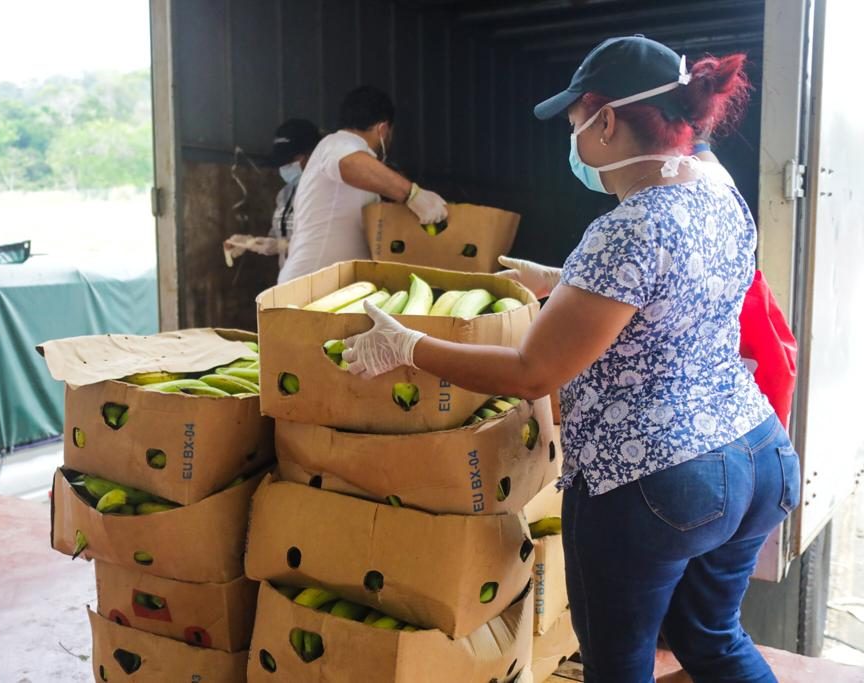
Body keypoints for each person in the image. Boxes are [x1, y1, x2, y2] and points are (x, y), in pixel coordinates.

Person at [341, 36, 798, 683]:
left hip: (656, 481)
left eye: (574, 122)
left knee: (618, 667)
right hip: (756, 454)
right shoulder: (716, 188)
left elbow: (532, 372)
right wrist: (567, 280)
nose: (573, 138)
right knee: (714, 638)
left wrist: (408, 346)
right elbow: (677, 283)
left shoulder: (626, 227)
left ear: (605, 119)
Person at [277, 85, 448, 283]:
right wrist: (413, 195)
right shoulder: (337, 143)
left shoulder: (357, 162)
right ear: (383, 129)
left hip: (327, 289)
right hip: (308, 288)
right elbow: (349, 163)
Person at [223, 118, 322, 271]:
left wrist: (282, 246)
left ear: (312, 155)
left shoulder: (326, 194)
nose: (284, 167)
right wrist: (250, 243)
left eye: (291, 160)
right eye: (281, 163)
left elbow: (326, 243)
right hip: (288, 279)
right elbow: (276, 238)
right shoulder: (285, 194)